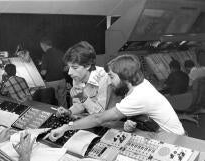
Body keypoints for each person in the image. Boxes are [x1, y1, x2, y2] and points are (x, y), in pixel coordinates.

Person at [48, 54, 185, 141]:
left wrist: (66, 128)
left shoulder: (139, 95)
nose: (110, 80)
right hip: (158, 133)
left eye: (112, 76)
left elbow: (98, 117)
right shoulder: (138, 84)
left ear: (125, 75)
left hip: (175, 140)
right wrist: (132, 121)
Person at [56, 41, 119, 118]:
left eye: (74, 67)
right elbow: (79, 105)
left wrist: (83, 97)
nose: (69, 72)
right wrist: (69, 111)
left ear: (88, 65)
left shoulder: (104, 78)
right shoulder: (77, 77)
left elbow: (101, 114)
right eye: (69, 68)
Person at [40, 37, 68, 108]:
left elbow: (44, 72)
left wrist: (40, 72)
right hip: (62, 80)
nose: (41, 48)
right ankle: (66, 116)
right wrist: (58, 70)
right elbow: (66, 68)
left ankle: (56, 117)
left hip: (51, 82)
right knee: (63, 101)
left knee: (54, 102)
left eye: (41, 46)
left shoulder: (46, 55)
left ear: (44, 45)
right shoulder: (60, 52)